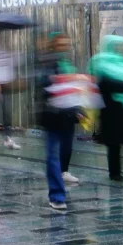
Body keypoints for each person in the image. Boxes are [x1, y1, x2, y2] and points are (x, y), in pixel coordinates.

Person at [89, 35, 123, 182]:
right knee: (113, 143)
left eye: (122, 47)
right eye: (117, 47)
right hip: (110, 110)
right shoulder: (101, 63)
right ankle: (115, 173)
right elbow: (104, 84)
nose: (120, 50)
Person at [39, 32, 81, 211]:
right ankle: (56, 196)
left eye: (66, 44)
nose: (64, 47)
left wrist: (78, 109)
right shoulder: (47, 63)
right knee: (53, 156)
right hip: (52, 116)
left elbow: (74, 89)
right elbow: (43, 87)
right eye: (61, 44)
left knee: (66, 150)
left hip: (68, 115)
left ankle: (63, 175)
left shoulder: (67, 64)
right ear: (54, 45)